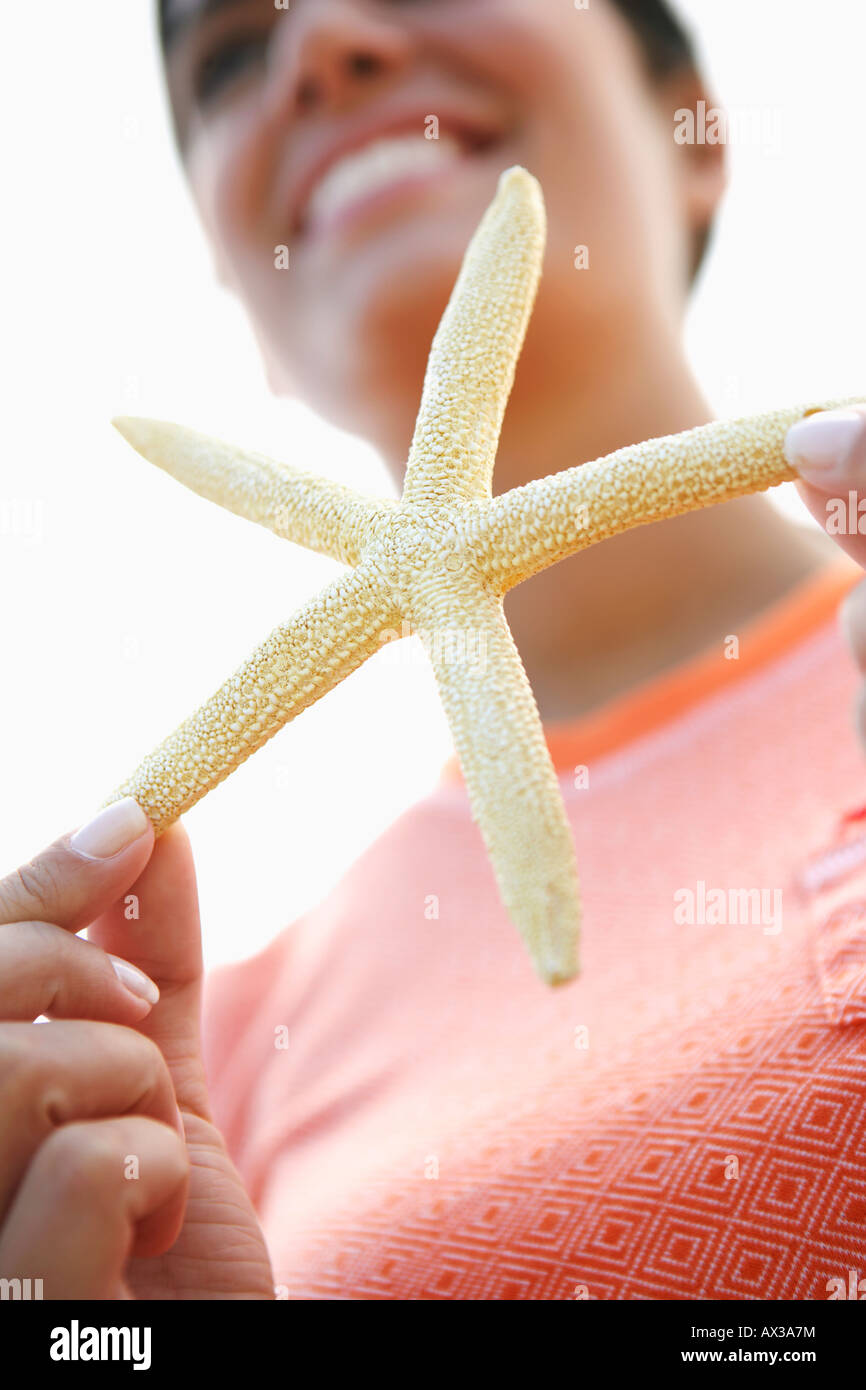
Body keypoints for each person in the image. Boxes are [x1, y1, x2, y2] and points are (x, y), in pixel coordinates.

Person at [1, 0, 865, 1300]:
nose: (319, 47)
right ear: (249, 303)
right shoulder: (188, 1075)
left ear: (691, 130)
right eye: (229, 57)